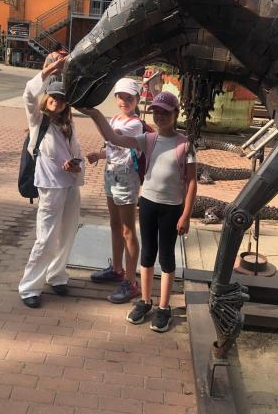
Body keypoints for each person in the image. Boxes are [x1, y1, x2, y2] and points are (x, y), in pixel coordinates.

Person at [80, 91, 197, 332]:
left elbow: (192, 181)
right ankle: (145, 300)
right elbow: (113, 137)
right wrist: (95, 114)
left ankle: (164, 307)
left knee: (166, 256)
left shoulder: (185, 144)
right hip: (148, 203)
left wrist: (186, 214)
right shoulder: (148, 139)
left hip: (171, 208)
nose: (160, 116)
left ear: (176, 114)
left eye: (165, 112)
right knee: (147, 254)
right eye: (156, 112)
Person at [18, 55, 84, 308]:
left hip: (70, 185)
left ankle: (57, 275)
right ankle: (29, 287)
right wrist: (49, 70)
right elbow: (28, 94)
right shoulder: (38, 120)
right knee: (46, 237)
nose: (57, 101)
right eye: (53, 96)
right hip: (50, 186)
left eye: (62, 98)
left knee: (67, 233)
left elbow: (77, 153)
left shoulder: (68, 125)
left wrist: (76, 164)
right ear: (47, 97)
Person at [86, 78, 143, 304]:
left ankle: (131, 282)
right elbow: (112, 147)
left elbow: (112, 136)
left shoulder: (135, 124)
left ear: (137, 99)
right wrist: (98, 155)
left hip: (126, 177)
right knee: (114, 224)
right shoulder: (115, 119)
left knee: (128, 229)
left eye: (130, 98)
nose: (124, 101)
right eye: (121, 97)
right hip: (111, 173)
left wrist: (93, 113)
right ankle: (117, 270)